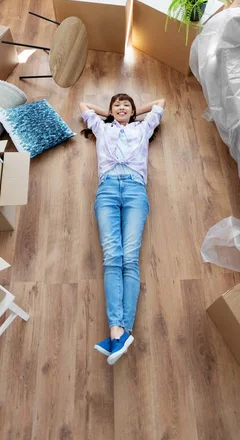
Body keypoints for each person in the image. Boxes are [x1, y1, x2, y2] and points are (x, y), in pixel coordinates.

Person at [80, 93, 165, 365]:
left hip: (135, 190)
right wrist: (108, 113)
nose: (121, 108)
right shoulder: (101, 128)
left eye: (126, 105)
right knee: (111, 258)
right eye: (117, 105)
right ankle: (119, 331)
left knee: (129, 257)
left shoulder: (143, 127)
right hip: (106, 190)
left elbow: (161, 102)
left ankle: (120, 331)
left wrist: (133, 114)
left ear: (133, 111)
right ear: (109, 111)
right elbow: (83, 106)